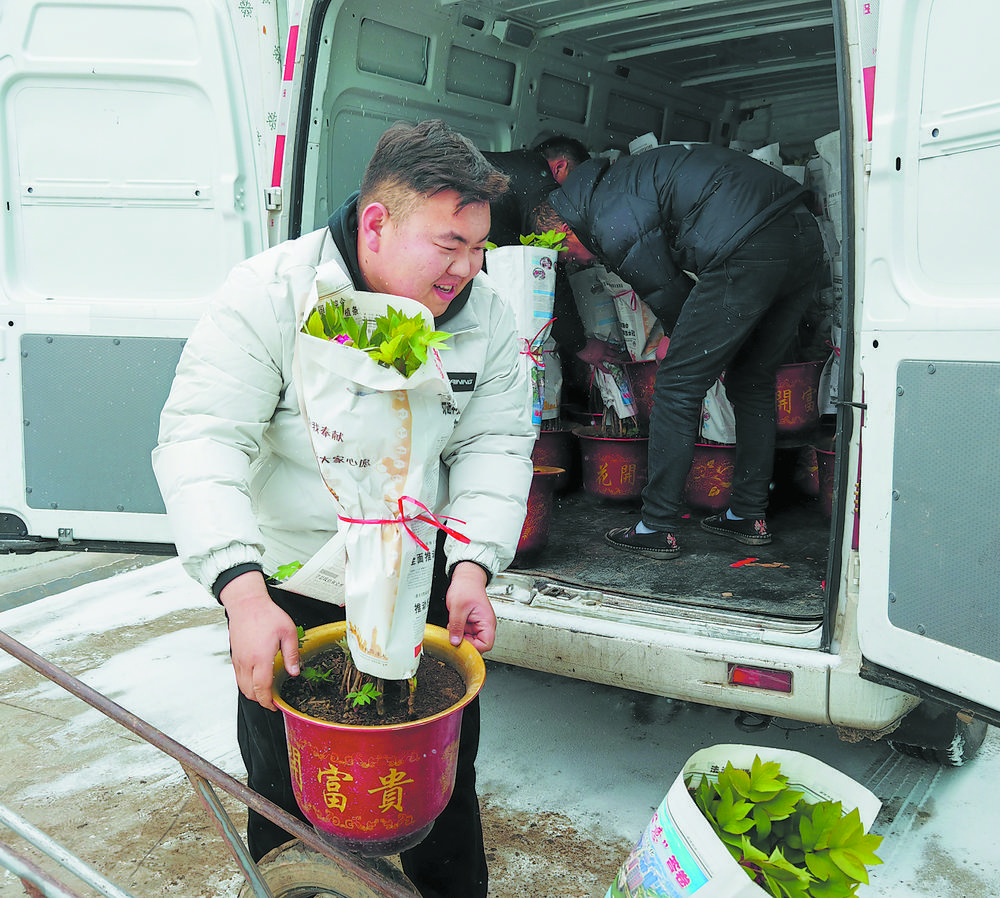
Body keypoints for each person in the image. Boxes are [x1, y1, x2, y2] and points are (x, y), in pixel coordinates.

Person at [152, 119, 535, 898]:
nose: (468, 267)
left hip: (418, 579)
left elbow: (495, 445)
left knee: (440, 777)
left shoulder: (486, 317)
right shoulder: (270, 294)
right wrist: (242, 594)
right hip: (288, 586)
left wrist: (472, 566)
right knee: (287, 783)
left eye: (479, 246)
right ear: (375, 222)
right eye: (449, 244)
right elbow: (201, 441)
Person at [532, 143, 824, 558]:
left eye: (567, 253)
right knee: (753, 377)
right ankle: (747, 514)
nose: (575, 262)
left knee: (677, 385)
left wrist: (676, 338)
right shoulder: (616, 184)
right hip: (799, 235)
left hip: (749, 241)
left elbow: (668, 290)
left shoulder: (608, 214)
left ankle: (657, 525)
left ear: (564, 230)